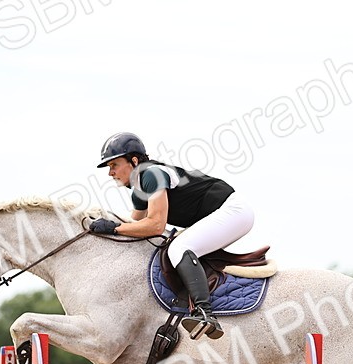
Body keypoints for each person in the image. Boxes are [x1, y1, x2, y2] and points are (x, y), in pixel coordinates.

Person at [90, 132, 254, 340]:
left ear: (134, 160)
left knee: (179, 248)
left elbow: (155, 226)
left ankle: (204, 313)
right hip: (225, 214)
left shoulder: (151, 174)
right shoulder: (139, 191)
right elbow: (135, 226)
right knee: (175, 247)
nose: (110, 173)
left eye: (114, 165)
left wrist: (114, 228)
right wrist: (106, 226)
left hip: (233, 211)